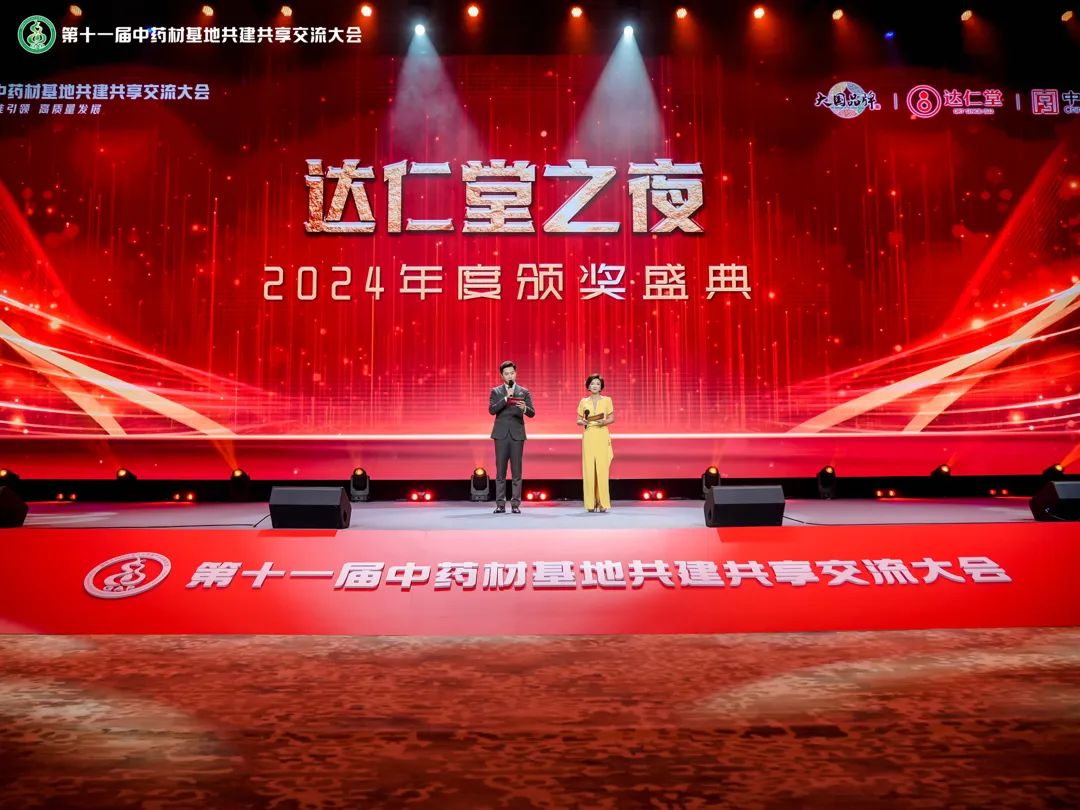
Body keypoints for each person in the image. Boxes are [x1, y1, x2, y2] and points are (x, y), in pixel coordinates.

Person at [488, 361, 535, 513]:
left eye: (512, 373)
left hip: (517, 435)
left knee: (516, 472)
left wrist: (525, 408)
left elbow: (532, 413)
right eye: (506, 374)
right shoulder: (496, 391)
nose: (510, 376)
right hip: (501, 435)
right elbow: (491, 410)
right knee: (500, 472)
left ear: (516, 374)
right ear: (502, 376)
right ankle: (500, 504)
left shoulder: (523, 392)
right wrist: (505, 400)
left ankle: (515, 505)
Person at [576, 373, 615, 512]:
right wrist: (583, 421)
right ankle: (590, 504)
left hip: (602, 434)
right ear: (588, 386)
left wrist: (604, 422)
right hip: (589, 435)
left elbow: (612, 418)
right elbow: (578, 420)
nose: (595, 386)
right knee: (589, 470)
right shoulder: (583, 402)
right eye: (592, 383)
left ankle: (603, 503)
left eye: (598, 384)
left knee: (602, 469)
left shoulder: (607, 400)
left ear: (601, 387)